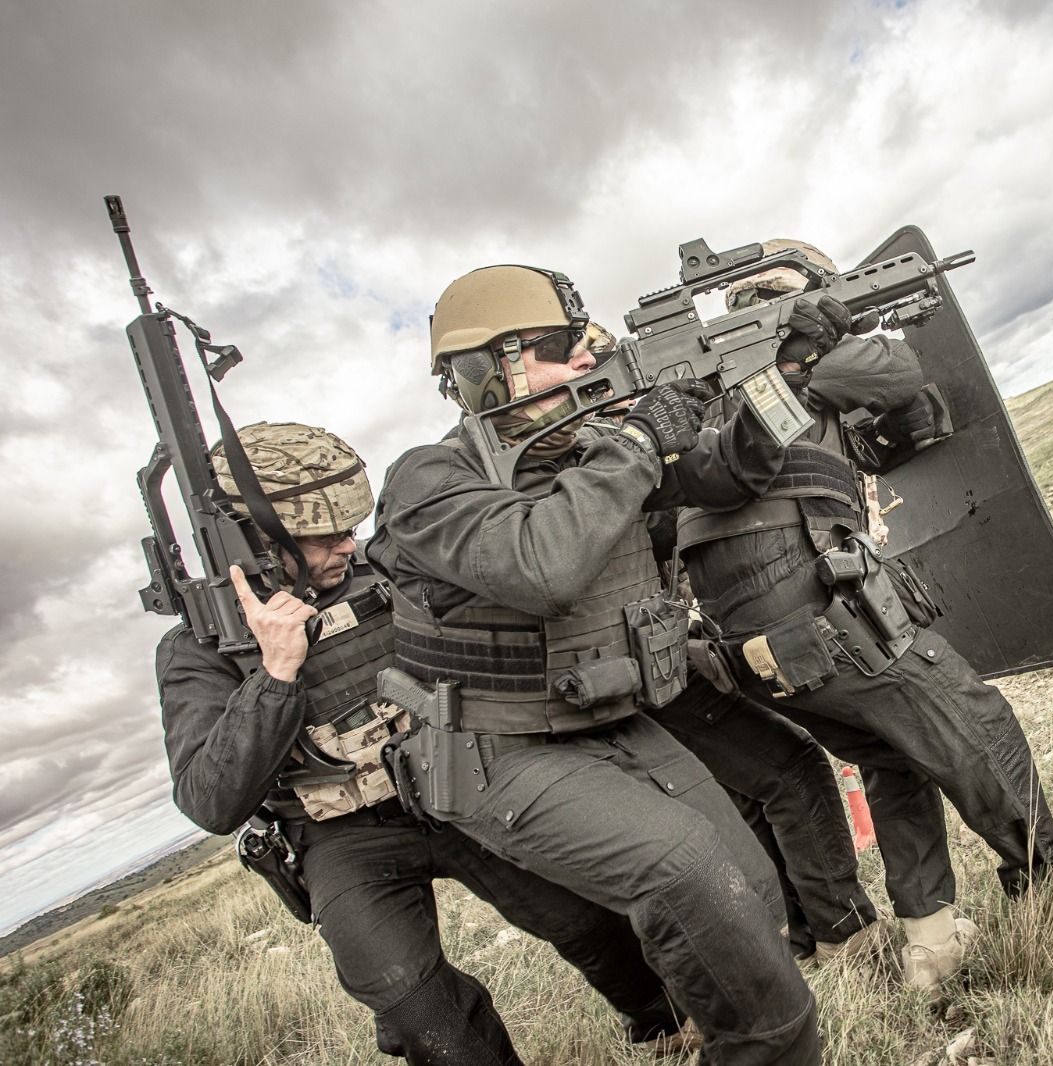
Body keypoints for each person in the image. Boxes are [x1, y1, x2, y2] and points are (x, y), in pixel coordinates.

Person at [366, 265, 820, 1064]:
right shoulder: (427, 481)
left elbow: (730, 472)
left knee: (747, 892)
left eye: (582, 344)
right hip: (496, 752)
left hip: (605, 719)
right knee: (685, 875)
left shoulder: (584, 452)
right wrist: (638, 439)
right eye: (555, 348)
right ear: (487, 370)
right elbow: (542, 564)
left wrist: (784, 380)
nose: (583, 360)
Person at [156, 422, 686, 1065]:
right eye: (326, 535)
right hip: (344, 835)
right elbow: (210, 801)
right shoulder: (198, 648)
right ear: (262, 542)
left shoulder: (388, 568)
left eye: (352, 526)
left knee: (581, 916)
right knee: (405, 995)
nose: (350, 544)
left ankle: (664, 1024)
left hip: (459, 779)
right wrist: (273, 675)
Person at [677, 240, 1053, 991]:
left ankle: (929, 942)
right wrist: (813, 345)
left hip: (765, 651)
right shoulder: (780, 377)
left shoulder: (708, 401)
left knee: (894, 761)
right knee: (977, 723)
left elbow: (902, 409)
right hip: (826, 622)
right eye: (799, 295)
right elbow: (893, 367)